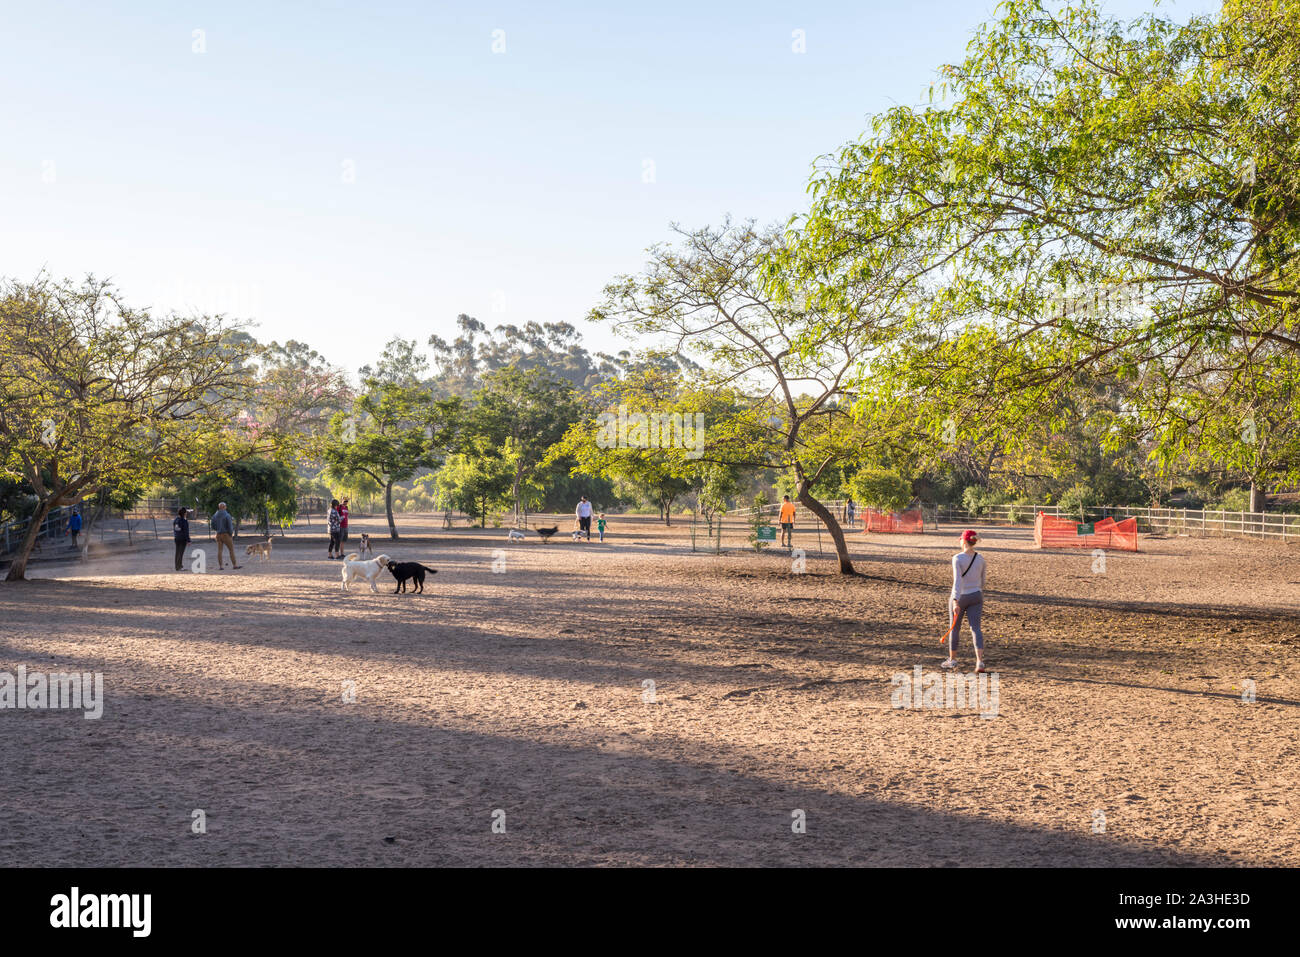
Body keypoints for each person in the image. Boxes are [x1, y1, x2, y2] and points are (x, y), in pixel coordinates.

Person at [944, 529, 987, 673]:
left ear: (964, 541)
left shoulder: (957, 558)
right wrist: (976, 589)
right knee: (976, 629)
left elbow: (957, 582)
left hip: (961, 596)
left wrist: (955, 601)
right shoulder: (980, 558)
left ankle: (952, 660)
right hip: (976, 595)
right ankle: (979, 662)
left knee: (955, 628)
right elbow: (983, 581)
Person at [211, 502, 240, 570]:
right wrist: (230, 534)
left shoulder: (214, 515)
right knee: (231, 550)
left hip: (218, 534)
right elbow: (230, 526)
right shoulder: (227, 515)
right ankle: (235, 565)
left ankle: (221, 566)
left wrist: (217, 529)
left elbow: (212, 525)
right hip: (226, 534)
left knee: (220, 550)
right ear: (224, 507)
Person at [173, 506, 192, 572]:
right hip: (182, 539)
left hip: (177, 538)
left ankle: (177, 566)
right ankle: (179, 566)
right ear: (184, 513)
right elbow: (186, 531)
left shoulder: (176, 520)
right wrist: (188, 540)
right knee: (181, 553)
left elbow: (175, 529)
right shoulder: (184, 521)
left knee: (177, 553)